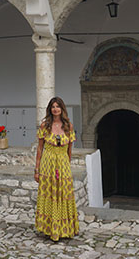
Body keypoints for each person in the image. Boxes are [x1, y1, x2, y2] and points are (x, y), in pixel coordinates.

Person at [34, 97, 79, 241]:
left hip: (63, 164)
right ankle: (49, 228)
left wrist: (66, 166)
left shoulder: (69, 127)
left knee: (64, 194)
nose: (55, 109)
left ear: (62, 109)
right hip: (47, 164)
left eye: (58, 106)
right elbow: (40, 149)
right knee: (50, 195)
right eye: (53, 106)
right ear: (50, 109)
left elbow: (69, 150)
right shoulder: (45, 126)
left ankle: (64, 229)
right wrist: (37, 169)